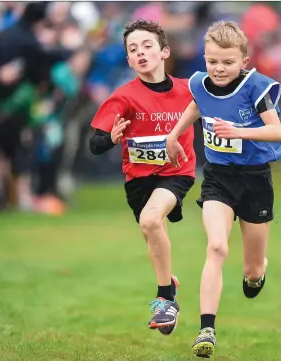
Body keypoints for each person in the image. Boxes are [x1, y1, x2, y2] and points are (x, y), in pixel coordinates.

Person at [166, 20, 281, 357]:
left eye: (228, 62)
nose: (219, 68)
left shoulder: (255, 88)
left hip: (256, 180)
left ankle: (256, 275)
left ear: (243, 62)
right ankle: (206, 329)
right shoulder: (199, 84)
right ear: (205, 58)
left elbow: (277, 132)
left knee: (253, 266)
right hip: (218, 177)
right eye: (213, 61)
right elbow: (196, 106)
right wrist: (174, 135)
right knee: (216, 247)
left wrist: (239, 132)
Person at [89, 19, 196, 336]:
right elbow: (94, 144)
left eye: (147, 46)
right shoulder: (123, 97)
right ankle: (169, 284)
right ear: (128, 60)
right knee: (152, 234)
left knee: (150, 222)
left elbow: (225, 94)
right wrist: (111, 138)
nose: (141, 52)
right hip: (138, 181)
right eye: (133, 49)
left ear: (164, 52)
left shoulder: (189, 89)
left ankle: (164, 299)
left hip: (176, 172)